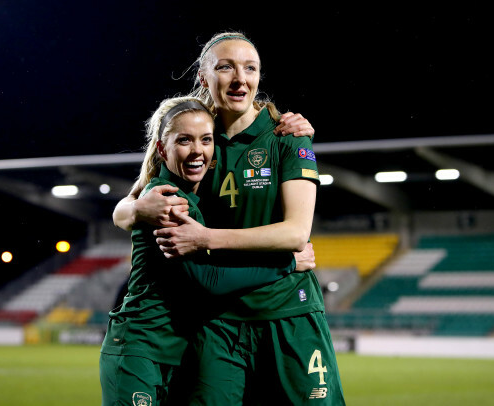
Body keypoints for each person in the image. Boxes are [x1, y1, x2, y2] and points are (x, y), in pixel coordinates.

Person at [113, 32, 345, 405]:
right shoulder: (196, 138)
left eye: (249, 68)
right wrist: (139, 209)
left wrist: (206, 238)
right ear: (204, 78)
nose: (240, 79)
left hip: (287, 313)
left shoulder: (288, 137)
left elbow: (296, 233)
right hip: (215, 323)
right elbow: (127, 206)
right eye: (226, 67)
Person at [99, 96, 315, 406]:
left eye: (206, 140)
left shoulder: (193, 195)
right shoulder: (169, 202)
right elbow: (209, 282)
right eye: (184, 140)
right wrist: (287, 264)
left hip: (175, 351)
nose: (198, 150)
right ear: (162, 149)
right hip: (141, 347)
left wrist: (297, 133)